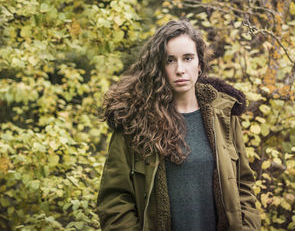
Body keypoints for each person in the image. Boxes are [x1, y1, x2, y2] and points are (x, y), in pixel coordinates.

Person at [96, 19, 261, 231]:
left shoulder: (224, 116)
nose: (180, 69)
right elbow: (114, 200)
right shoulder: (134, 122)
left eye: (188, 58)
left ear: (199, 64)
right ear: (159, 67)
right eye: (170, 60)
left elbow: (243, 185)